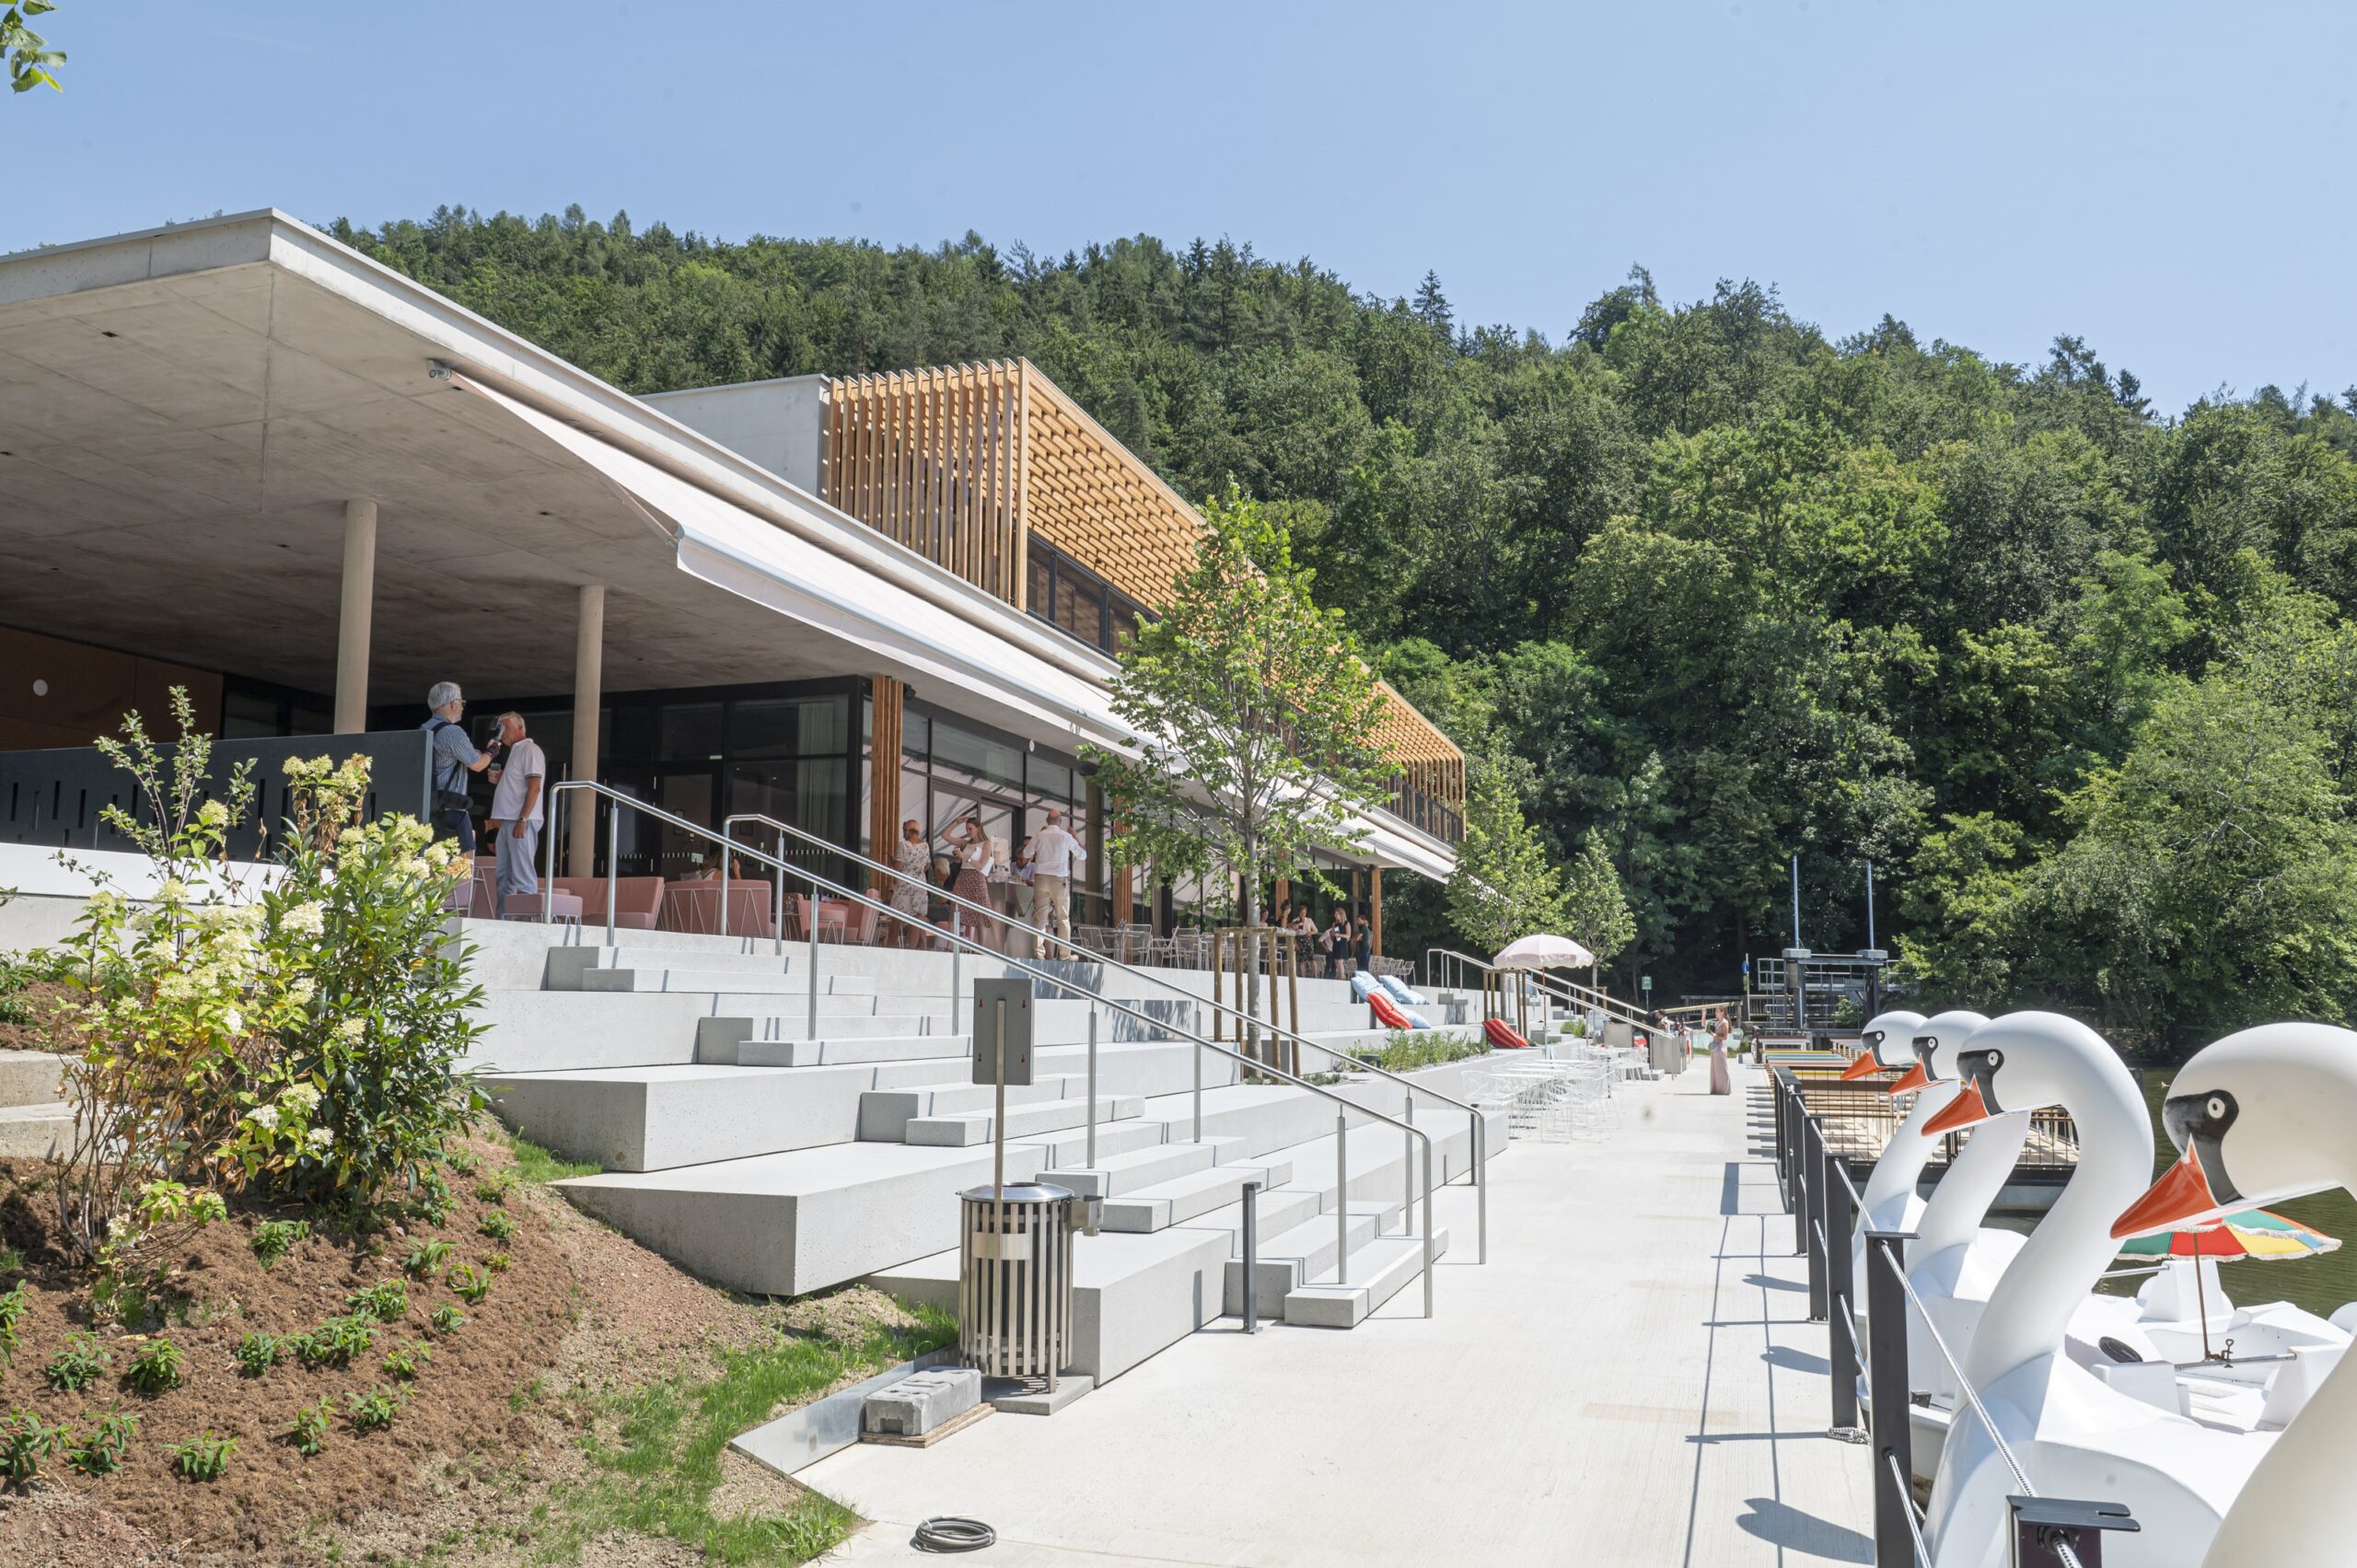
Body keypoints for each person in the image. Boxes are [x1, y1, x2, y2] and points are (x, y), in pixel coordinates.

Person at [484, 711, 546, 918]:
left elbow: (535, 787)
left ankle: (526, 924)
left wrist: (523, 819)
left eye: (506, 728)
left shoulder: (530, 749)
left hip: (520, 821)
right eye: (500, 728)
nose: (502, 733)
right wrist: (501, 778)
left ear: (520, 728)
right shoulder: (516, 752)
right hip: (508, 821)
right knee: (504, 877)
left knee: (523, 875)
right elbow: (521, 785)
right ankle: (504, 921)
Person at [421, 682, 493, 855]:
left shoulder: (423, 730)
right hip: (452, 808)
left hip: (426, 807)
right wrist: (492, 750)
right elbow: (477, 764)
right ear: (453, 703)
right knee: (462, 865)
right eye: (462, 702)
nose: (462, 707)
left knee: (430, 864)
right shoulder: (453, 732)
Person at [1030, 807, 1084, 958]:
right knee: (1063, 918)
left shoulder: (1040, 835)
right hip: (1059, 881)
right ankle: (1065, 955)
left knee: (1040, 917)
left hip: (1041, 879)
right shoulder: (1066, 837)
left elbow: (1027, 852)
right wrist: (1075, 837)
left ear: (1047, 821)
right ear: (1060, 821)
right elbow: (1083, 855)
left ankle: (1039, 953)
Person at [888, 819, 932, 946]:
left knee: (896, 918)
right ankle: (911, 949)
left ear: (909, 831)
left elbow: (898, 866)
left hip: (905, 885)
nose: (903, 833)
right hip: (920, 884)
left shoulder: (904, 845)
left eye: (904, 830)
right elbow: (926, 866)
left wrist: (891, 860)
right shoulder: (925, 846)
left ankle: (889, 947)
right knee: (916, 919)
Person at [1707, 1006, 1734, 1096]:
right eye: (1715, 1011)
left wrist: (1714, 1035)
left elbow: (1725, 1037)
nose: (1716, 1013)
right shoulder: (1718, 1022)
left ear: (1722, 1012)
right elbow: (1704, 1025)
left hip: (1720, 1047)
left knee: (1722, 1069)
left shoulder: (1724, 1022)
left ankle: (1725, 1089)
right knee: (1715, 1069)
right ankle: (1717, 1088)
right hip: (1715, 1047)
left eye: (1717, 1011)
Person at [1325, 909, 1351, 980]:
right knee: (1336, 962)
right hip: (1336, 943)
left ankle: (1342, 978)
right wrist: (1332, 934)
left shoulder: (1346, 923)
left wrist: (1339, 935)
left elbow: (1348, 935)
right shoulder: (1335, 924)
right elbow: (1333, 934)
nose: (1335, 916)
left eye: (1336, 914)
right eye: (1335, 914)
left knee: (1339, 961)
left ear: (1341, 915)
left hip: (1342, 943)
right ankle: (1340, 977)